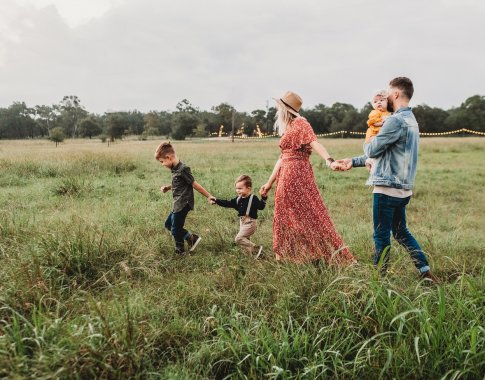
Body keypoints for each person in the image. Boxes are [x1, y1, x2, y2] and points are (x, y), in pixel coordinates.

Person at [335, 77, 437, 282]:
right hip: (403, 189)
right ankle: (425, 272)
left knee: (381, 236)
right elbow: (386, 154)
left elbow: (372, 149)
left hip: (386, 188)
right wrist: (353, 162)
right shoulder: (411, 120)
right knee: (400, 233)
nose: (387, 97)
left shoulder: (394, 120)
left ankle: (378, 281)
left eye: (389, 93)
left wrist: (369, 136)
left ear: (396, 94)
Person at [260, 91, 355, 265]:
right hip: (286, 173)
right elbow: (282, 157)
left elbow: (314, 142)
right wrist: (269, 183)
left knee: (308, 213)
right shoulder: (288, 127)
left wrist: (329, 161)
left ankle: (311, 253)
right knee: (285, 213)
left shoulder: (301, 123)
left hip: (296, 173)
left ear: (284, 109)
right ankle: (288, 255)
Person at [155, 142, 213, 255]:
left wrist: (209, 196)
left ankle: (180, 250)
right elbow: (180, 183)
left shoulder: (183, 169)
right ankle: (191, 238)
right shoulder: (175, 169)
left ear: (169, 157)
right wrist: (168, 187)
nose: (162, 164)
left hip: (183, 203)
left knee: (175, 229)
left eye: (162, 161)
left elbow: (194, 184)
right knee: (168, 224)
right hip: (177, 203)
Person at [210, 175, 267, 258]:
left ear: (248, 188)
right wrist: (216, 200)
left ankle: (257, 249)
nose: (238, 190)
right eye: (237, 188)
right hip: (242, 222)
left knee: (239, 239)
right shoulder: (238, 199)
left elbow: (261, 207)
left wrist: (263, 198)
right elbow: (228, 203)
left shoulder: (253, 198)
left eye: (240, 188)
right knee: (246, 240)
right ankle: (254, 256)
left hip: (250, 223)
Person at [365, 90, 392, 173]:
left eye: (381, 100)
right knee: (376, 148)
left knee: (381, 151)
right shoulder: (375, 112)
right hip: (373, 135)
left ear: (387, 102)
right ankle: (370, 161)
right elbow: (373, 122)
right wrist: (383, 123)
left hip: (380, 135)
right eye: (375, 102)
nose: (379, 103)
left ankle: (370, 162)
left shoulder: (387, 113)